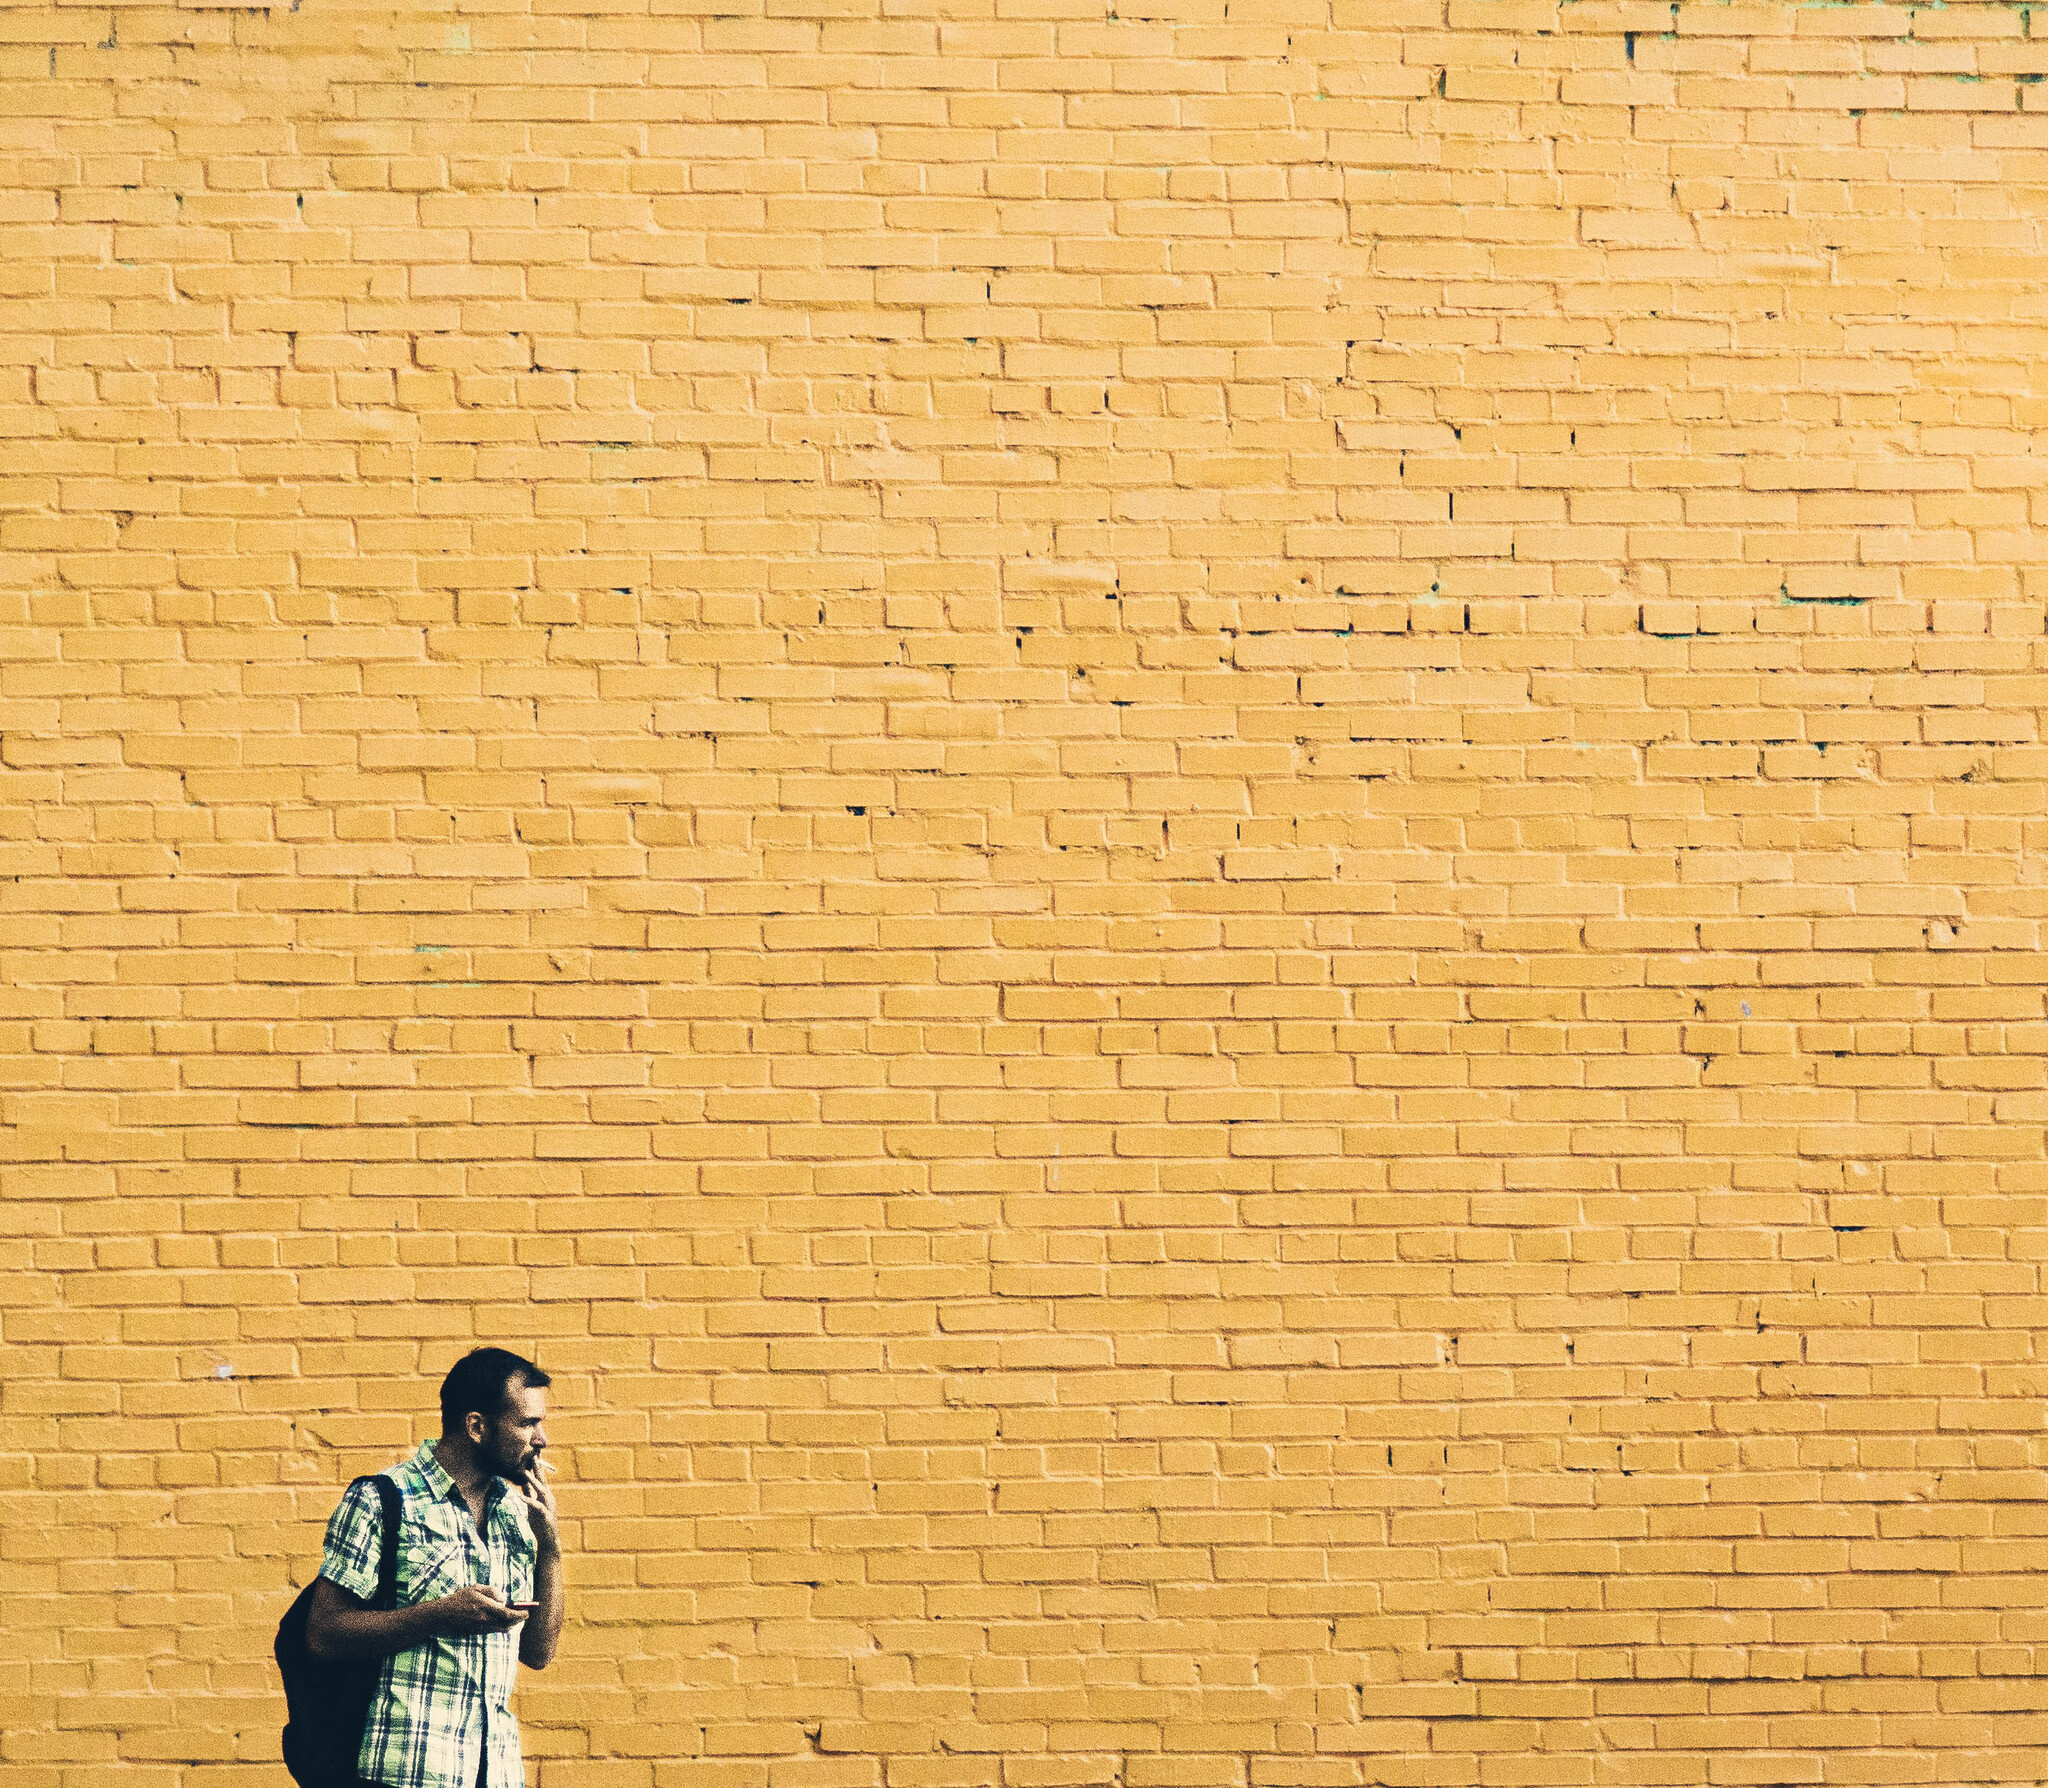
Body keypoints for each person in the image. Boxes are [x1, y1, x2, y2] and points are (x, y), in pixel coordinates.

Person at [304, 1347, 566, 1788]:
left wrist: (551, 1548)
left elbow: (538, 1653)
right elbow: (323, 1635)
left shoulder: (516, 1512)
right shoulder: (383, 1500)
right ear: (477, 1426)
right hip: (409, 1772)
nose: (541, 1439)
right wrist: (441, 1614)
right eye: (528, 1423)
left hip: (497, 1772)